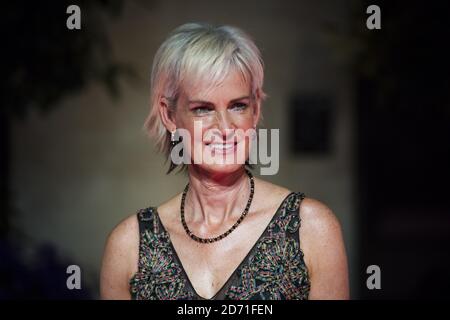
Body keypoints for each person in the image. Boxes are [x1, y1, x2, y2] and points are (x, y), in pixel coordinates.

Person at [100, 22, 349, 300]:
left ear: (255, 110)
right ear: (169, 116)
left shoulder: (311, 228)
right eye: (203, 109)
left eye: (237, 105)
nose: (225, 127)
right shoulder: (129, 246)